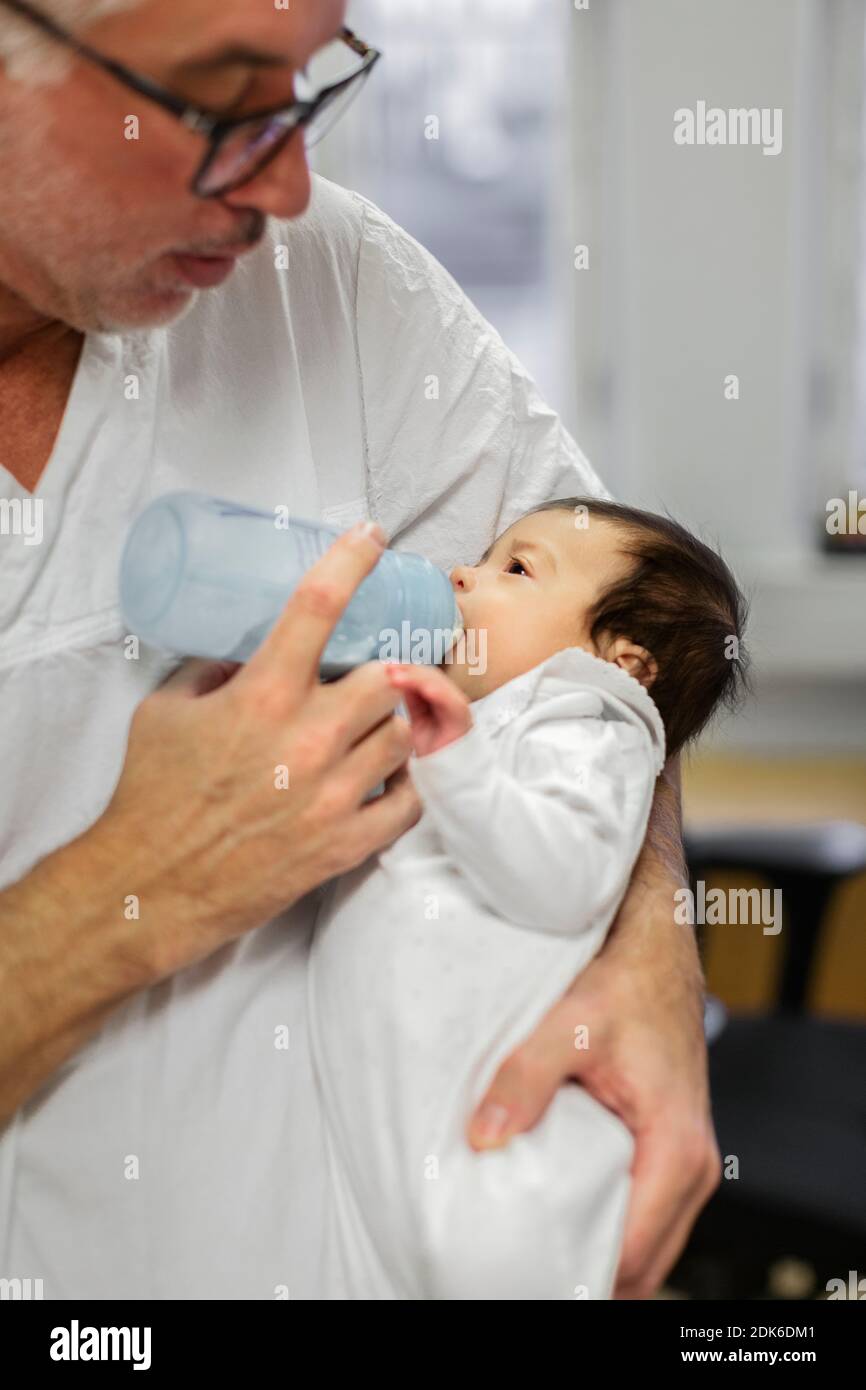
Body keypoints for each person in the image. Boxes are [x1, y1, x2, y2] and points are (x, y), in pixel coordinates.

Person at [0, 0, 719, 1299]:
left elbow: (613, 653)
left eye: (305, 83)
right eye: (220, 98)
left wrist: (650, 951)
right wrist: (119, 897)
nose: (285, 183)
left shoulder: (329, 277)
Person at [310, 499, 748, 1300]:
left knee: (496, 1259)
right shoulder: (492, 720)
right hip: (394, 1128)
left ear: (623, 664)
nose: (462, 575)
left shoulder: (592, 725)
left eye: (515, 570)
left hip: (500, 1160)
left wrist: (456, 758)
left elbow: (563, 877)